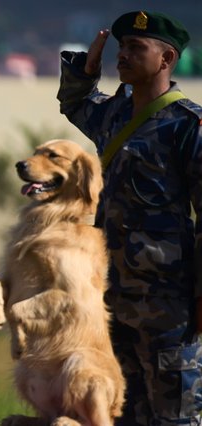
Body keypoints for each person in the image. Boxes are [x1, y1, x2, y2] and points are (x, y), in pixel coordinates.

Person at [58, 11, 202, 425]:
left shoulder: (186, 126)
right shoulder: (114, 116)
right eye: (122, 47)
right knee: (121, 408)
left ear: (166, 58)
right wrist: (85, 73)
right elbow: (75, 102)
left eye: (136, 48)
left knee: (174, 411)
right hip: (110, 294)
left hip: (167, 299)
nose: (123, 55)